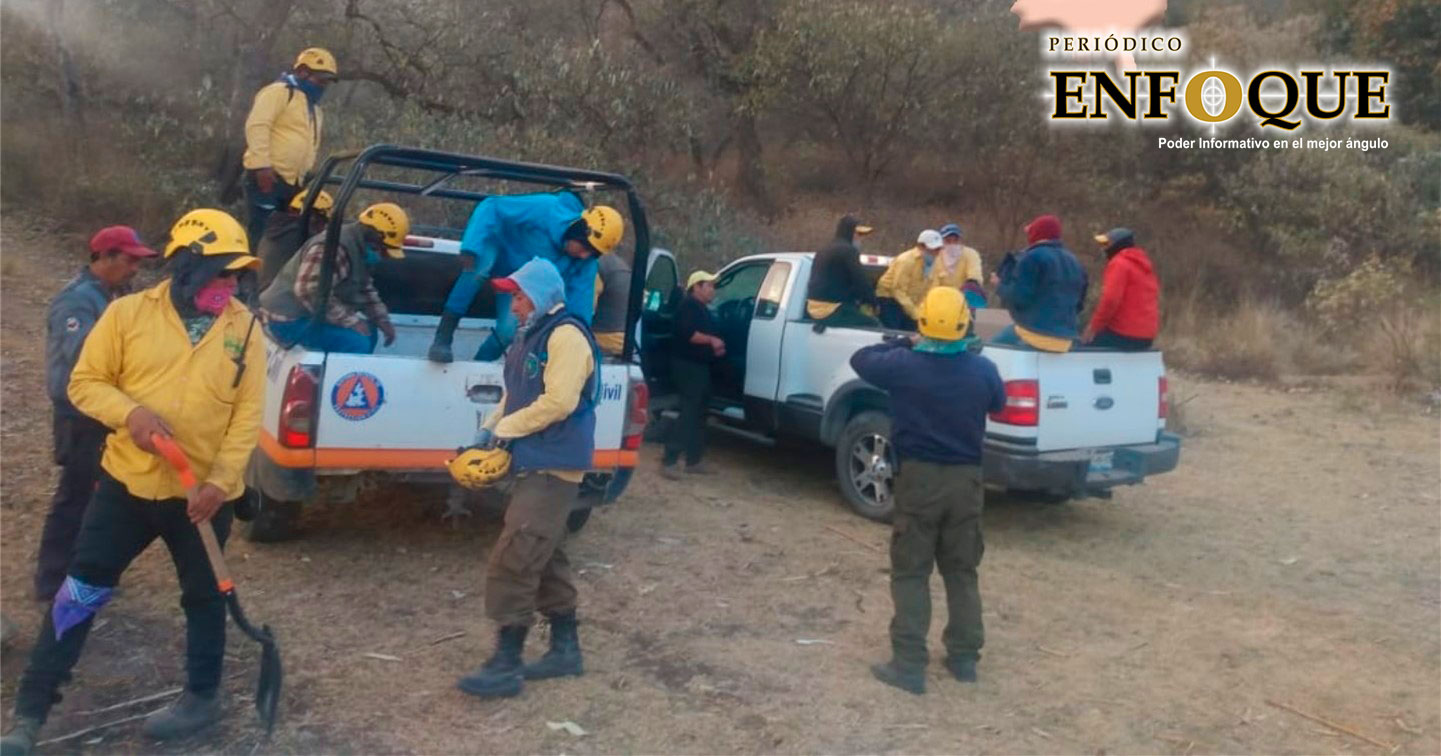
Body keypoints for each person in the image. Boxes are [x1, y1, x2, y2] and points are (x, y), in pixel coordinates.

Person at [0, 210, 265, 755]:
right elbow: (85, 383)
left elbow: (246, 416)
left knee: (203, 598)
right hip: (127, 486)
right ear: (188, 267)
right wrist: (130, 415)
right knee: (80, 592)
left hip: (200, 499)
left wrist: (221, 481)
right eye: (221, 273)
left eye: (236, 276)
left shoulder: (246, 328)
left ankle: (202, 695)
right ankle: (29, 713)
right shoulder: (125, 316)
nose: (230, 286)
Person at [451, 258, 601, 700]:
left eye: (517, 296)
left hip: (554, 465)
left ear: (538, 296)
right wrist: (485, 434)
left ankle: (506, 663)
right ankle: (565, 650)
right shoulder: (530, 336)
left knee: (515, 555)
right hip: (535, 461)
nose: (513, 305)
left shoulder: (566, 335)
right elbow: (516, 397)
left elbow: (559, 402)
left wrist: (504, 431)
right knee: (545, 551)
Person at [850, 287, 1005, 695]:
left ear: (923, 323)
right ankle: (964, 659)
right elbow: (999, 403)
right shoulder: (982, 370)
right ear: (964, 324)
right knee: (962, 571)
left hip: (918, 481)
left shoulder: (904, 364)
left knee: (912, 572)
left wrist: (905, 342)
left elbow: (861, 359)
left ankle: (909, 665)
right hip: (966, 481)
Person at [35, 227, 157, 603]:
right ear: (104, 257)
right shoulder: (76, 303)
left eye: (139, 260)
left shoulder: (115, 296)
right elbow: (87, 358)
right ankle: (51, 580)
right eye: (130, 259)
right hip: (80, 414)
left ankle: (79, 572)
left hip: (105, 412)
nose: (136, 268)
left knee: (97, 495)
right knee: (76, 495)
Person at [427, 194, 624, 363]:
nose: (585, 256)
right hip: (499, 250)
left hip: (517, 281)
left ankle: (478, 366)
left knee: (506, 331)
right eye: (586, 248)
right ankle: (443, 337)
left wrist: (580, 348)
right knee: (479, 265)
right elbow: (492, 206)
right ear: (579, 231)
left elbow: (579, 311)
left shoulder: (585, 264)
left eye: (594, 254)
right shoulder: (547, 209)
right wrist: (471, 245)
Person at [259, 202, 408, 354]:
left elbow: (364, 290)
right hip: (287, 319)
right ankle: (341, 377)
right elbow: (309, 291)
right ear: (373, 237)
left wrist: (382, 320)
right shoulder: (332, 248)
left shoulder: (360, 250)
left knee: (370, 333)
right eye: (382, 250)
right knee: (357, 343)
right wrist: (351, 322)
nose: (382, 256)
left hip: (307, 315)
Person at [241, 47, 337, 249]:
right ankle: (251, 278)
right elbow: (257, 125)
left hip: (294, 184)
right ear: (302, 72)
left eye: (326, 82)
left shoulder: (315, 110)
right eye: (319, 80)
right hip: (269, 177)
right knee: (263, 235)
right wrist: (262, 166)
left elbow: (309, 144)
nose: (323, 86)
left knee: (284, 239)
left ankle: (273, 278)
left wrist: (306, 176)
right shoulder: (279, 92)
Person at [991, 214, 1088, 352]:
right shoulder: (1075, 262)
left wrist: (999, 286)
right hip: (1067, 338)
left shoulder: (1031, 258)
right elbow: (1079, 304)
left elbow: (1019, 299)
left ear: (1035, 233)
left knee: (987, 350)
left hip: (1035, 334)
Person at [661, 271, 724, 480]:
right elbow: (689, 334)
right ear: (696, 287)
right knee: (689, 411)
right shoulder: (688, 306)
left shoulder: (702, 309)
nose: (712, 290)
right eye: (709, 285)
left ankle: (694, 460)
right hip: (687, 366)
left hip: (700, 366)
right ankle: (670, 460)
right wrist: (711, 341)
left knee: (700, 412)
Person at [1083, 227, 1159, 350]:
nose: (1103, 248)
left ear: (1117, 245)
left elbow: (1110, 300)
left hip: (1124, 334)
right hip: (1146, 337)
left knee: (1083, 345)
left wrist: (1094, 327)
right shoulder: (1145, 267)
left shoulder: (1119, 263)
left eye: (1106, 244)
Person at [806, 215, 880, 329]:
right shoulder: (848, 251)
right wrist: (874, 303)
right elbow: (861, 282)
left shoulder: (824, 249)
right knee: (875, 326)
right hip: (831, 309)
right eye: (858, 234)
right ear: (849, 233)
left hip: (813, 308)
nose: (860, 239)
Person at [256, 187, 334, 290]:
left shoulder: (277, 226)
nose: (323, 227)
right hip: (281, 298)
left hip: (262, 292)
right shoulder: (303, 235)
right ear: (314, 218)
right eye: (324, 221)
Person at [876, 230, 944, 331]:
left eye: (938, 249)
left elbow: (929, 291)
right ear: (921, 247)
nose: (936, 253)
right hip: (890, 299)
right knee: (893, 331)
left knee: (912, 330)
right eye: (933, 249)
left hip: (910, 303)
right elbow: (898, 290)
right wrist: (915, 314)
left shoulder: (935, 264)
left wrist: (922, 312)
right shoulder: (906, 260)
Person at [591, 250, 632, 357]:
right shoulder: (621, 267)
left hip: (600, 343)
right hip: (622, 344)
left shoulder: (596, 266)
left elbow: (587, 308)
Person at [938, 223, 984, 287]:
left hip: (964, 294)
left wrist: (971, 285)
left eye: (956, 240)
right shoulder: (936, 256)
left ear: (961, 240)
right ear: (941, 242)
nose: (952, 243)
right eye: (948, 241)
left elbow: (975, 276)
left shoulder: (971, 254)